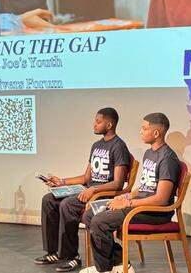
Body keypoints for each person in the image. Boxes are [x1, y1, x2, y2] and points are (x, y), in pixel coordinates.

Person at [34, 108, 131, 272]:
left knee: (67, 205)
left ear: (109, 124)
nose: (94, 124)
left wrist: (93, 190)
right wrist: (62, 182)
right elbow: (86, 177)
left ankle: (71, 256)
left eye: (98, 121)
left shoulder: (119, 146)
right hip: (89, 189)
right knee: (49, 199)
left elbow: (118, 183)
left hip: (104, 194)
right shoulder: (97, 145)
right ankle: (55, 252)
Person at [82, 113, 181, 273]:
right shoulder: (150, 153)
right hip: (139, 206)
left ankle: (104, 269)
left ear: (156, 133)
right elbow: (144, 187)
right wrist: (126, 196)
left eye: (144, 128)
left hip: (154, 212)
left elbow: (161, 199)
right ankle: (118, 264)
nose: (140, 131)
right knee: (89, 215)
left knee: (99, 221)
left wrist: (127, 203)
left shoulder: (167, 159)